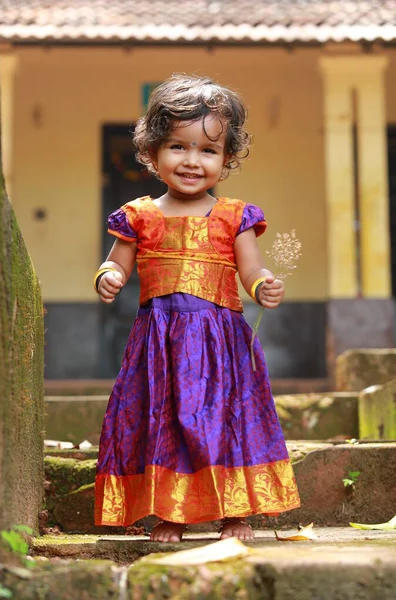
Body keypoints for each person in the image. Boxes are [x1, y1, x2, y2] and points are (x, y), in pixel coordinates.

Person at [94, 73, 300, 543]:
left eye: (208, 150)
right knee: (165, 421)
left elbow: (252, 271)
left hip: (221, 346)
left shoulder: (235, 216)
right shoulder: (138, 215)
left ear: (226, 159)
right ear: (151, 152)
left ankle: (234, 513)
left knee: (229, 420)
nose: (192, 161)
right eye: (178, 147)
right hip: (160, 345)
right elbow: (115, 265)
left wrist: (265, 285)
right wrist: (108, 278)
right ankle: (170, 514)